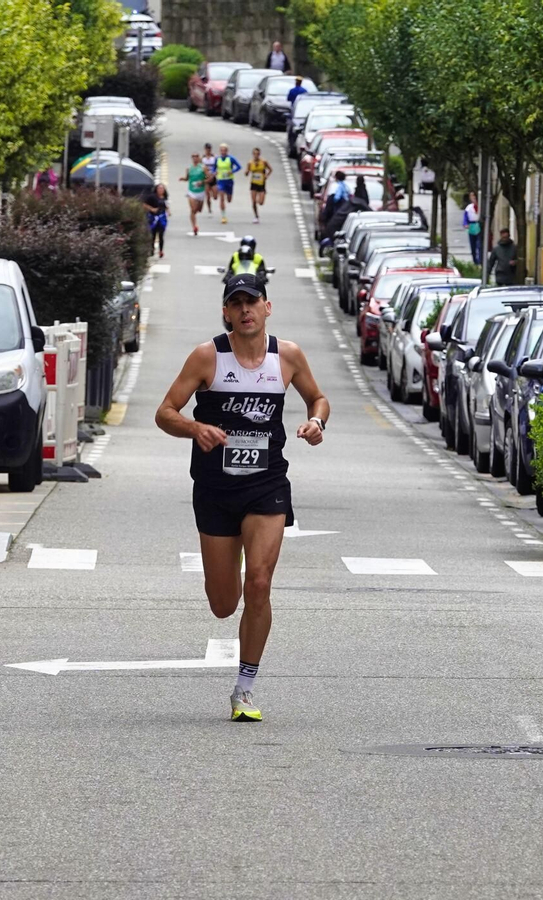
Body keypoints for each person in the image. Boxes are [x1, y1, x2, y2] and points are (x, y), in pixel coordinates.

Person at [154, 273, 329, 722]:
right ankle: (224, 583)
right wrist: (195, 428)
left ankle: (244, 689)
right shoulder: (207, 357)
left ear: (268, 307)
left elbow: (318, 398)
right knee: (223, 603)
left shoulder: (286, 356)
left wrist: (316, 423)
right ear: (226, 312)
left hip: (267, 483)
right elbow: (165, 413)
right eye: (237, 303)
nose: (246, 310)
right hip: (215, 488)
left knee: (260, 584)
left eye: (253, 301)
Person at [180, 152, 208, 236]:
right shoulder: (189, 168)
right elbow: (187, 178)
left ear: (199, 158)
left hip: (201, 192)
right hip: (191, 191)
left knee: (199, 210)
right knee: (193, 210)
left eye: (196, 157)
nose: (195, 158)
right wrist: (183, 179)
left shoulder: (203, 168)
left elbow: (209, 179)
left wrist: (202, 182)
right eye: (193, 157)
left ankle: (195, 220)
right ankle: (194, 227)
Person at [214, 143, 242, 223]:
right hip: (221, 181)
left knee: (229, 200)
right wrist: (214, 172)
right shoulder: (217, 159)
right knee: (221, 198)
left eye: (224, 150)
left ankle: (229, 194)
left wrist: (232, 171)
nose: (223, 152)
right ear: (220, 151)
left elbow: (239, 167)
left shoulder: (231, 159)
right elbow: (214, 168)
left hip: (229, 181)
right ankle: (223, 216)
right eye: (221, 150)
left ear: (227, 151)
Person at [142, 184, 170, 258]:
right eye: (159, 188)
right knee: (153, 234)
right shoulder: (152, 197)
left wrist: (168, 211)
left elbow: (166, 206)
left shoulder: (164, 197)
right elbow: (144, 204)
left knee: (161, 235)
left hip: (162, 218)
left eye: (162, 189)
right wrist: (152, 209)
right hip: (153, 218)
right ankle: (152, 249)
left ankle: (161, 251)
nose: (161, 190)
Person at [246, 147, 273, 224]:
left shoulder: (264, 162)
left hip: (261, 184)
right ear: (252, 154)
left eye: (257, 154)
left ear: (259, 154)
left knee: (261, 202)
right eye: (254, 154)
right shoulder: (250, 163)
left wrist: (266, 176)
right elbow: (246, 172)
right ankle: (256, 216)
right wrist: (247, 172)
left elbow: (270, 169)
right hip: (253, 183)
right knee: (253, 202)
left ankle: (261, 196)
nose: (256, 155)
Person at [462, 193, 482, 266]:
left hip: (479, 225)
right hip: (472, 226)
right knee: (472, 244)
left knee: (479, 244)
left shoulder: (481, 206)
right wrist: (465, 224)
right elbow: (465, 217)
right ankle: (475, 260)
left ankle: (480, 259)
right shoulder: (469, 207)